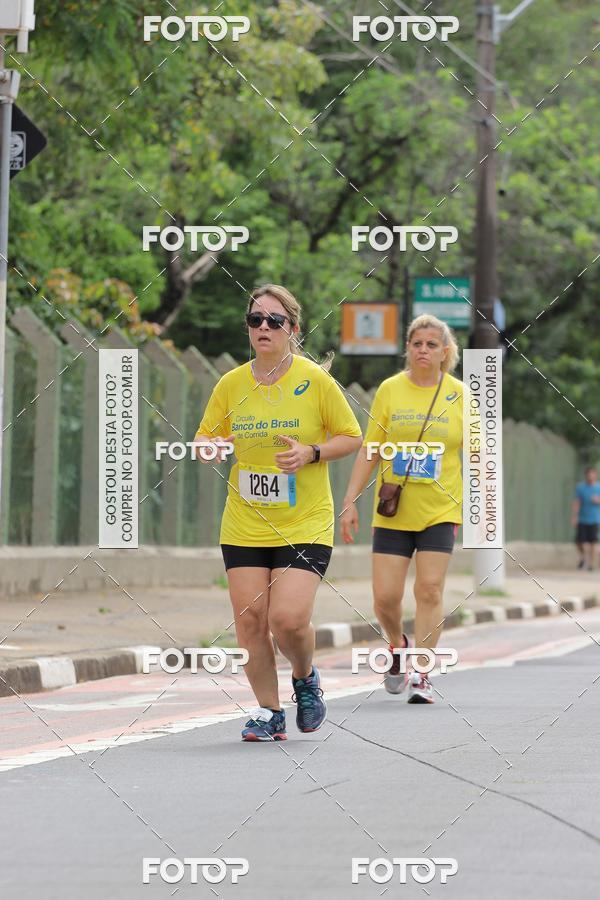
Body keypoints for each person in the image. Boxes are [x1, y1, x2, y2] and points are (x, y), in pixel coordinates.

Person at [195, 284, 362, 741]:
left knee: (286, 619)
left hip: (304, 521)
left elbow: (351, 437)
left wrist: (310, 452)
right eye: (255, 320)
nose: (264, 328)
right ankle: (269, 712)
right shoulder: (231, 384)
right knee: (250, 620)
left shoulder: (315, 381)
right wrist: (211, 447)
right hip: (245, 520)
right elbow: (205, 437)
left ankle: (305, 677)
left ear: (293, 328)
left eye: (274, 320)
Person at [341, 314, 463, 704]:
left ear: (445, 352)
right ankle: (397, 645)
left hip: (441, 509)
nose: (423, 350)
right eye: (417, 344)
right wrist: (350, 501)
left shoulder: (460, 394)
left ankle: (423, 673)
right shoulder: (391, 390)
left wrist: (483, 507)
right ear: (407, 349)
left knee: (429, 589)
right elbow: (371, 449)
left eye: (431, 345)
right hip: (394, 510)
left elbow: (478, 454)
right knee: (386, 598)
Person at [572, 466, 600, 571]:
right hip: (583, 518)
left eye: (592, 474)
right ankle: (583, 557)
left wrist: (598, 500)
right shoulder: (580, 488)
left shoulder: (598, 487)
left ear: (595, 475)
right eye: (588, 475)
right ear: (586, 476)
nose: (590, 477)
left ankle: (591, 564)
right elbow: (577, 502)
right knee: (579, 541)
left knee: (593, 542)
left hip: (595, 519)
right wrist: (574, 516)